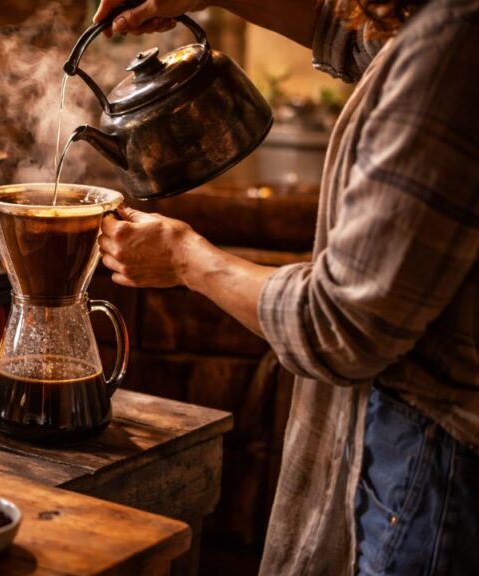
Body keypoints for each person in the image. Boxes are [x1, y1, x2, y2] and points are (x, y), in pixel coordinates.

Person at [93, 0, 479, 574]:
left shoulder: (455, 43)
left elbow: (341, 325)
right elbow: (357, 38)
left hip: (435, 461)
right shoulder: (437, 29)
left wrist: (184, 259)